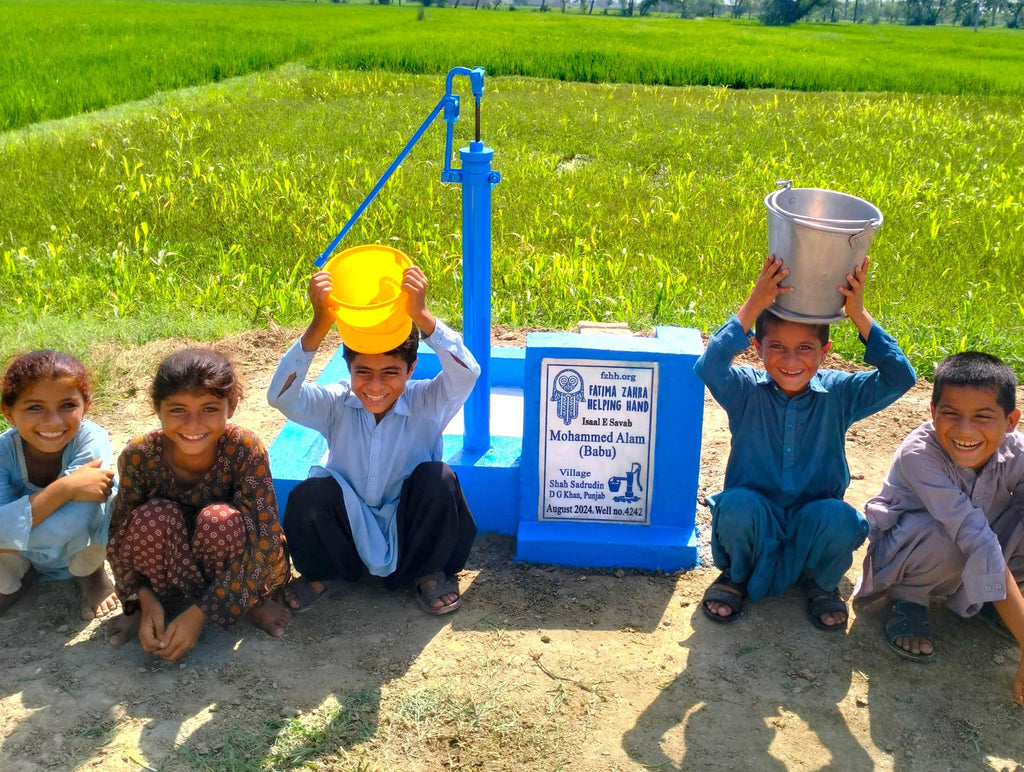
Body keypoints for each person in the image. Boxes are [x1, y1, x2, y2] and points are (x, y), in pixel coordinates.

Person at [694, 255, 916, 631]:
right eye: (777, 347)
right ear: (757, 348)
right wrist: (755, 302)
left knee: (839, 518)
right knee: (737, 506)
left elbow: (900, 377)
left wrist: (858, 313)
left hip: (813, 522)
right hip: (756, 517)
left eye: (806, 349)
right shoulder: (744, 390)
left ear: (825, 353)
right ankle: (736, 575)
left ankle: (818, 581)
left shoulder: (839, 393)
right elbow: (709, 366)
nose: (791, 360)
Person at [268, 264, 479, 616]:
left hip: (412, 531)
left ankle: (427, 573)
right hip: (348, 533)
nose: (375, 387)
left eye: (390, 373)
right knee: (310, 493)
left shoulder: (428, 400)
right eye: (363, 372)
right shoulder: (336, 403)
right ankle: (322, 574)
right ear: (348, 369)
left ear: (411, 369)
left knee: (437, 477)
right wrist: (319, 325)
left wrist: (421, 315)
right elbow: (281, 397)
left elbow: (467, 372)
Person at [855, 351, 1024, 704]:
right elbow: (976, 538)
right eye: (951, 414)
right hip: (912, 553)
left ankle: (991, 601)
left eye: (982, 417)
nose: (965, 430)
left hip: (973, 551)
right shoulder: (919, 455)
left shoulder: (1017, 452)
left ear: (1011, 421)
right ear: (933, 413)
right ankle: (909, 599)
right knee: (950, 536)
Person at [105, 349, 290, 661]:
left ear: (231, 407)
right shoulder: (139, 455)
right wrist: (142, 599)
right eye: (178, 410)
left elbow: (266, 537)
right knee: (152, 517)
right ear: (158, 409)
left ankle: (250, 601)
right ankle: (148, 606)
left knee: (220, 520)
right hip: (167, 565)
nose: (193, 424)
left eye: (209, 409)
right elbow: (118, 534)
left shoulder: (244, 448)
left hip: (227, 558)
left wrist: (199, 614)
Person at [0, 350, 119, 619]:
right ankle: (19, 579)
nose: (53, 421)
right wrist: (65, 488)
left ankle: (91, 574)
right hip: (19, 553)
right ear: (8, 412)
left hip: (78, 544)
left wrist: (6, 535)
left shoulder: (90, 440)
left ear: (86, 406)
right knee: (4, 575)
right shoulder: (3, 452)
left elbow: (72, 523)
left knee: (110, 492)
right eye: (35, 407)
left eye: (67, 405)